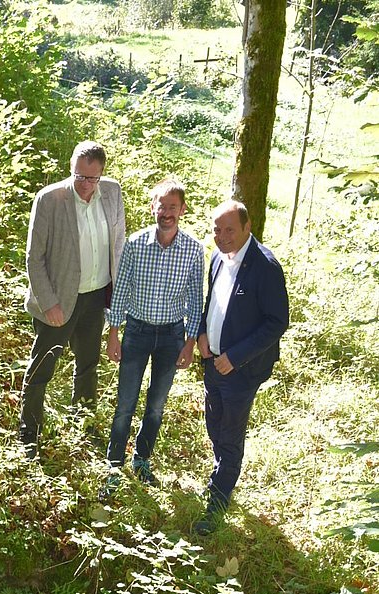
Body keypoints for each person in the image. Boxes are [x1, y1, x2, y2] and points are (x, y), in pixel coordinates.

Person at [19, 140, 126, 458]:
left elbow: (118, 243)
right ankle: (29, 438)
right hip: (58, 301)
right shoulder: (50, 199)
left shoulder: (112, 192)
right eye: (80, 176)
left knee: (88, 365)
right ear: (71, 170)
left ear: (102, 174)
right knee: (41, 370)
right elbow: (33, 257)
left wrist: (118, 295)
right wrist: (49, 302)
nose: (86, 185)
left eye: (92, 178)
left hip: (96, 296)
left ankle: (84, 427)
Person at [103, 178, 203, 493]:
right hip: (137, 332)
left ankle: (142, 460)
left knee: (156, 405)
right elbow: (120, 291)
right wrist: (113, 333)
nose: (167, 212)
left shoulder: (193, 250)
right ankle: (114, 467)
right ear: (153, 208)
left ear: (182, 210)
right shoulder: (134, 244)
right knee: (125, 403)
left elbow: (195, 300)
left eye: (173, 206)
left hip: (172, 336)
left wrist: (189, 343)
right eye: (162, 205)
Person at [195, 199, 290, 535]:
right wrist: (202, 333)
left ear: (247, 227)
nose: (222, 237)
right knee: (215, 423)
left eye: (230, 229)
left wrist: (235, 357)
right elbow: (213, 302)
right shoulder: (218, 258)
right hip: (212, 361)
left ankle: (216, 504)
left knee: (231, 433)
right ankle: (223, 471)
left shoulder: (265, 266)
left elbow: (277, 321)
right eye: (217, 230)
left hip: (241, 368)